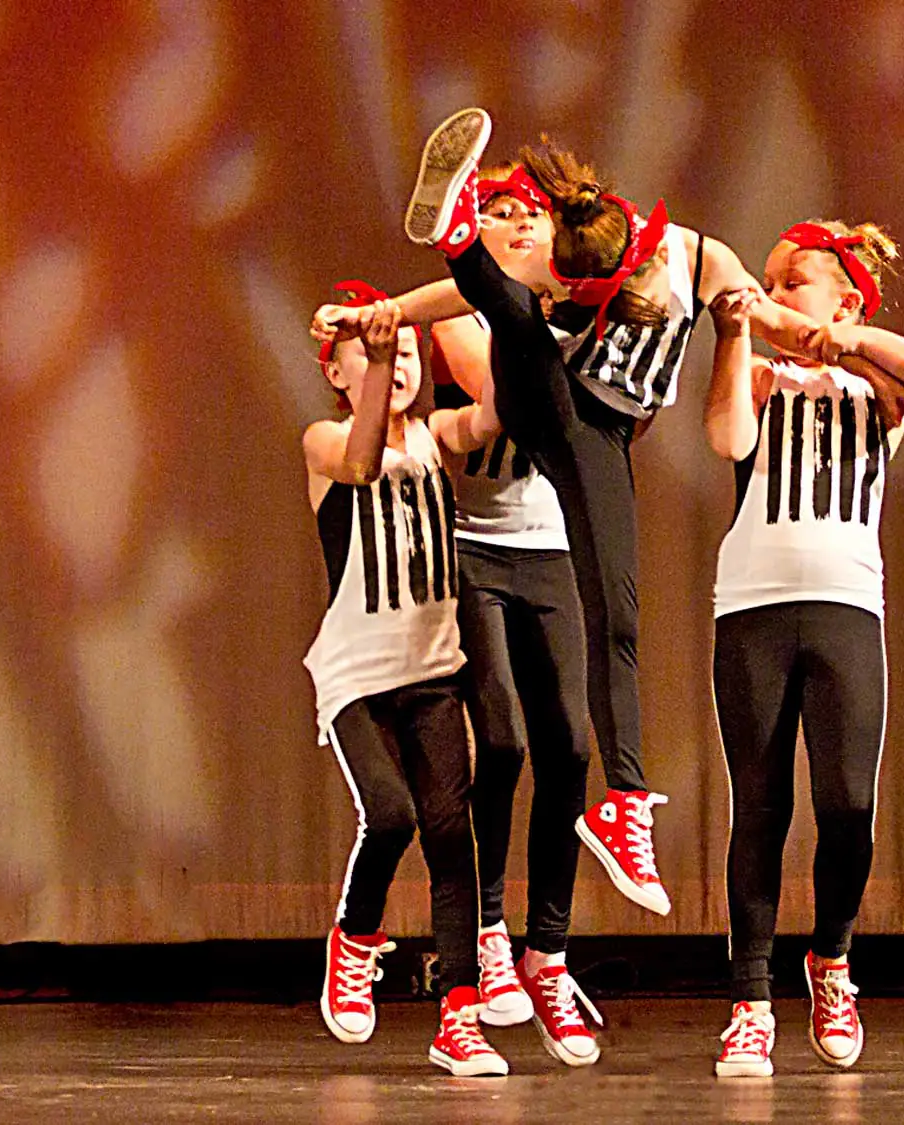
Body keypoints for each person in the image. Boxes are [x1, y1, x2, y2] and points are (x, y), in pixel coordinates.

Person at [315, 107, 839, 918]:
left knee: (616, 608)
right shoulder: (550, 260)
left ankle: (624, 802)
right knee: (520, 321)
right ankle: (453, 227)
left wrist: (822, 339)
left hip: (601, 436)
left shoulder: (699, 258)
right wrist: (370, 314)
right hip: (544, 403)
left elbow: (766, 318)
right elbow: (463, 299)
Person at [703, 221, 904, 1077]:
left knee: (848, 803)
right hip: (752, 603)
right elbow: (727, 440)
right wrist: (739, 328)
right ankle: (751, 1000)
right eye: (774, 281)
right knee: (760, 805)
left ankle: (832, 960)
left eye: (795, 284)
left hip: (847, 606)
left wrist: (850, 339)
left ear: (845, 299)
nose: (779, 294)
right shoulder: (759, 373)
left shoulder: (879, 394)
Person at [301, 290, 512, 1077]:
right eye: (374, 356)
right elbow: (358, 464)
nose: (396, 368)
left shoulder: (433, 434)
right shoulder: (323, 438)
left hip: (431, 671)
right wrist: (381, 345)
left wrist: (500, 328)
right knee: (388, 815)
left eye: (407, 356)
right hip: (357, 674)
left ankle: (459, 1015)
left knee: (450, 833)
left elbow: (488, 419)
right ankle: (355, 938)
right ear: (337, 370)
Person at [432, 162, 602, 1067]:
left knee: (570, 747)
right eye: (492, 212)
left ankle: (548, 951)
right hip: (477, 551)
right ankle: (489, 932)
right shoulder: (471, 323)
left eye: (525, 212)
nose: (511, 222)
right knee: (499, 740)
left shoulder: (581, 320)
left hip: (555, 556)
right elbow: (504, 405)